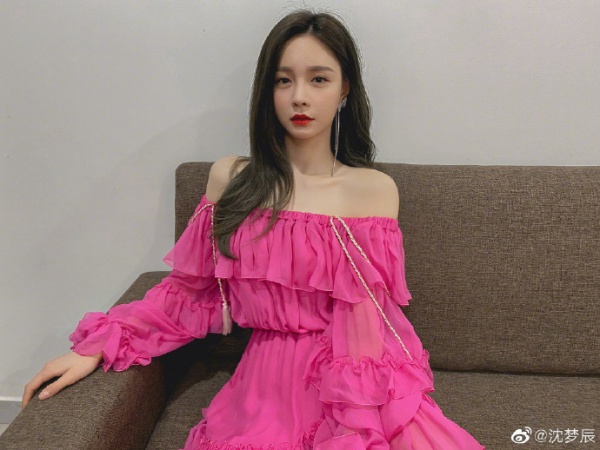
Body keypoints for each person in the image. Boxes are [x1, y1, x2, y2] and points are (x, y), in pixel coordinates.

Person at [23, 9, 486, 449]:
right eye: (284, 80)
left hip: (341, 378)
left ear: (345, 88)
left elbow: (365, 321)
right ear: (268, 90)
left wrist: (356, 415)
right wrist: (99, 346)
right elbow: (188, 292)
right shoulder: (232, 179)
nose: (299, 96)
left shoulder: (373, 191)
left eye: (318, 79)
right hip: (262, 384)